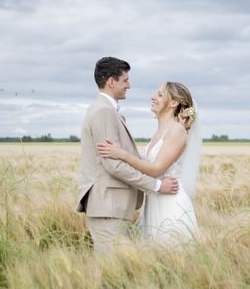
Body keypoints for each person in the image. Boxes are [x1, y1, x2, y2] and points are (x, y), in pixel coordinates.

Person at [76, 57, 180, 254]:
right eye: (125, 80)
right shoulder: (104, 112)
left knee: (114, 267)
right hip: (107, 204)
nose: (129, 85)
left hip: (112, 205)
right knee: (109, 268)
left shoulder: (106, 111)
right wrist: (157, 185)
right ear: (111, 82)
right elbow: (113, 166)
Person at [97, 81, 202, 247]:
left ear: (174, 103)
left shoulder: (177, 130)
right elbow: (146, 162)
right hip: (154, 199)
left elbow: (156, 169)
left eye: (160, 94)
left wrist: (122, 154)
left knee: (171, 251)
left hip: (170, 202)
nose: (153, 97)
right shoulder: (160, 131)